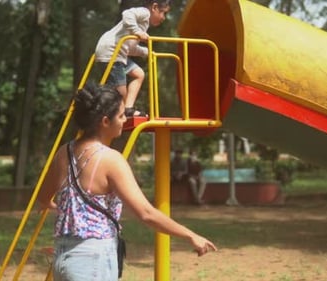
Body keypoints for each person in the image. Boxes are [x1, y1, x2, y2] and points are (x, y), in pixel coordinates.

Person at [38, 84, 217, 281]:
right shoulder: (111, 160)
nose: (125, 120)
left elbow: (44, 198)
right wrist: (190, 235)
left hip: (63, 258)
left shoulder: (64, 152)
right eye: (122, 115)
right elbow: (146, 214)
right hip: (93, 259)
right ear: (105, 121)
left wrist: (71, 215)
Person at [94, 0, 171, 117]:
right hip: (112, 52)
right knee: (121, 93)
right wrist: (137, 31)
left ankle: (128, 108)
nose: (164, 18)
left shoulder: (143, 24)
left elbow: (130, 48)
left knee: (139, 74)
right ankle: (107, 109)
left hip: (119, 53)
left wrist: (146, 52)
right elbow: (127, 14)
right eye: (163, 13)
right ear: (154, 7)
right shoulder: (145, 13)